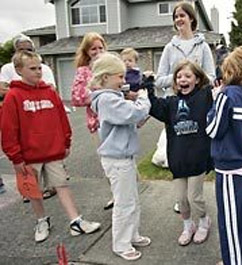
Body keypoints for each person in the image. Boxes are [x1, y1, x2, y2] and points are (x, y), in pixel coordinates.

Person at [0, 50, 101, 243]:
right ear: (19, 70)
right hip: (28, 157)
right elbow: (8, 130)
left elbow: (61, 119)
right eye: (32, 68)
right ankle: (41, 221)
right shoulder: (13, 96)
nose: (38, 72)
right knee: (34, 191)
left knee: (62, 184)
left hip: (53, 152)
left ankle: (75, 221)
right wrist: (16, 157)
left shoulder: (49, 92)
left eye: (39, 67)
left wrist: (66, 141)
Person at [154, 1, 215, 213]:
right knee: (178, 150)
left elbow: (212, 76)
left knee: (196, 149)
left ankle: (194, 194)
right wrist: (180, 77)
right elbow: (159, 79)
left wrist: (194, 78)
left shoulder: (203, 46)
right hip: (175, 110)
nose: (179, 19)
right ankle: (183, 198)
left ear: (191, 18)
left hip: (198, 107)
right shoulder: (170, 48)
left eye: (182, 15)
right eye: (175, 16)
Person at [89, 53, 151, 261]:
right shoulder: (107, 99)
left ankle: (132, 234)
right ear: (105, 77)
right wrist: (143, 98)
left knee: (132, 200)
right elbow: (132, 113)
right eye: (120, 77)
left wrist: (137, 118)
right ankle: (121, 244)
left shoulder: (112, 99)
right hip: (117, 160)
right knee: (124, 203)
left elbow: (128, 119)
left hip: (124, 157)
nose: (124, 81)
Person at [206, 46, 242, 265]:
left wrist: (215, 100)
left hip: (228, 167)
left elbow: (212, 129)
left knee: (229, 223)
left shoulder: (227, 95)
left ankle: (235, 261)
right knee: (239, 219)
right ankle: (237, 258)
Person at [148, 60, 213, 246]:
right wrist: (148, 86)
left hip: (198, 158)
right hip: (178, 160)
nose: (182, 79)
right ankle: (187, 226)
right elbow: (153, 106)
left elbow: (220, 88)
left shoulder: (205, 96)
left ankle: (203, 221)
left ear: (197, 79)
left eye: (187, 76)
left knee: (195, 197)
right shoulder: (171, 103)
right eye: (178, 76)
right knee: (181, 199)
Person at [0, 34, 60, 201]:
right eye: (21, 49)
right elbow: (1, 89)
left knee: (51, 159)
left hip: (41, 116)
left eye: (29, 49)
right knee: (27, 159)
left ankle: (51, 186)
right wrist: (23, 93)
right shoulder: (6, 69)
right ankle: (30, 190)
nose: (25, 51)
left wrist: (26, 92)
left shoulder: (42, 67)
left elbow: (51, 89)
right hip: (21, 118)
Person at [70, 32, 113, 210]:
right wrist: (97, 91)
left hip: (116, 119)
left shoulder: (110, 65)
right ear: (87, 51)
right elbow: (76, 97)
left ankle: (126, 193)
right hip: (97, 123)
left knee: (124, 159)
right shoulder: (84, 71)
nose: (97, 51)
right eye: (93, 48)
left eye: (100, 47)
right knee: (107, 161)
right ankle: (115, 194)